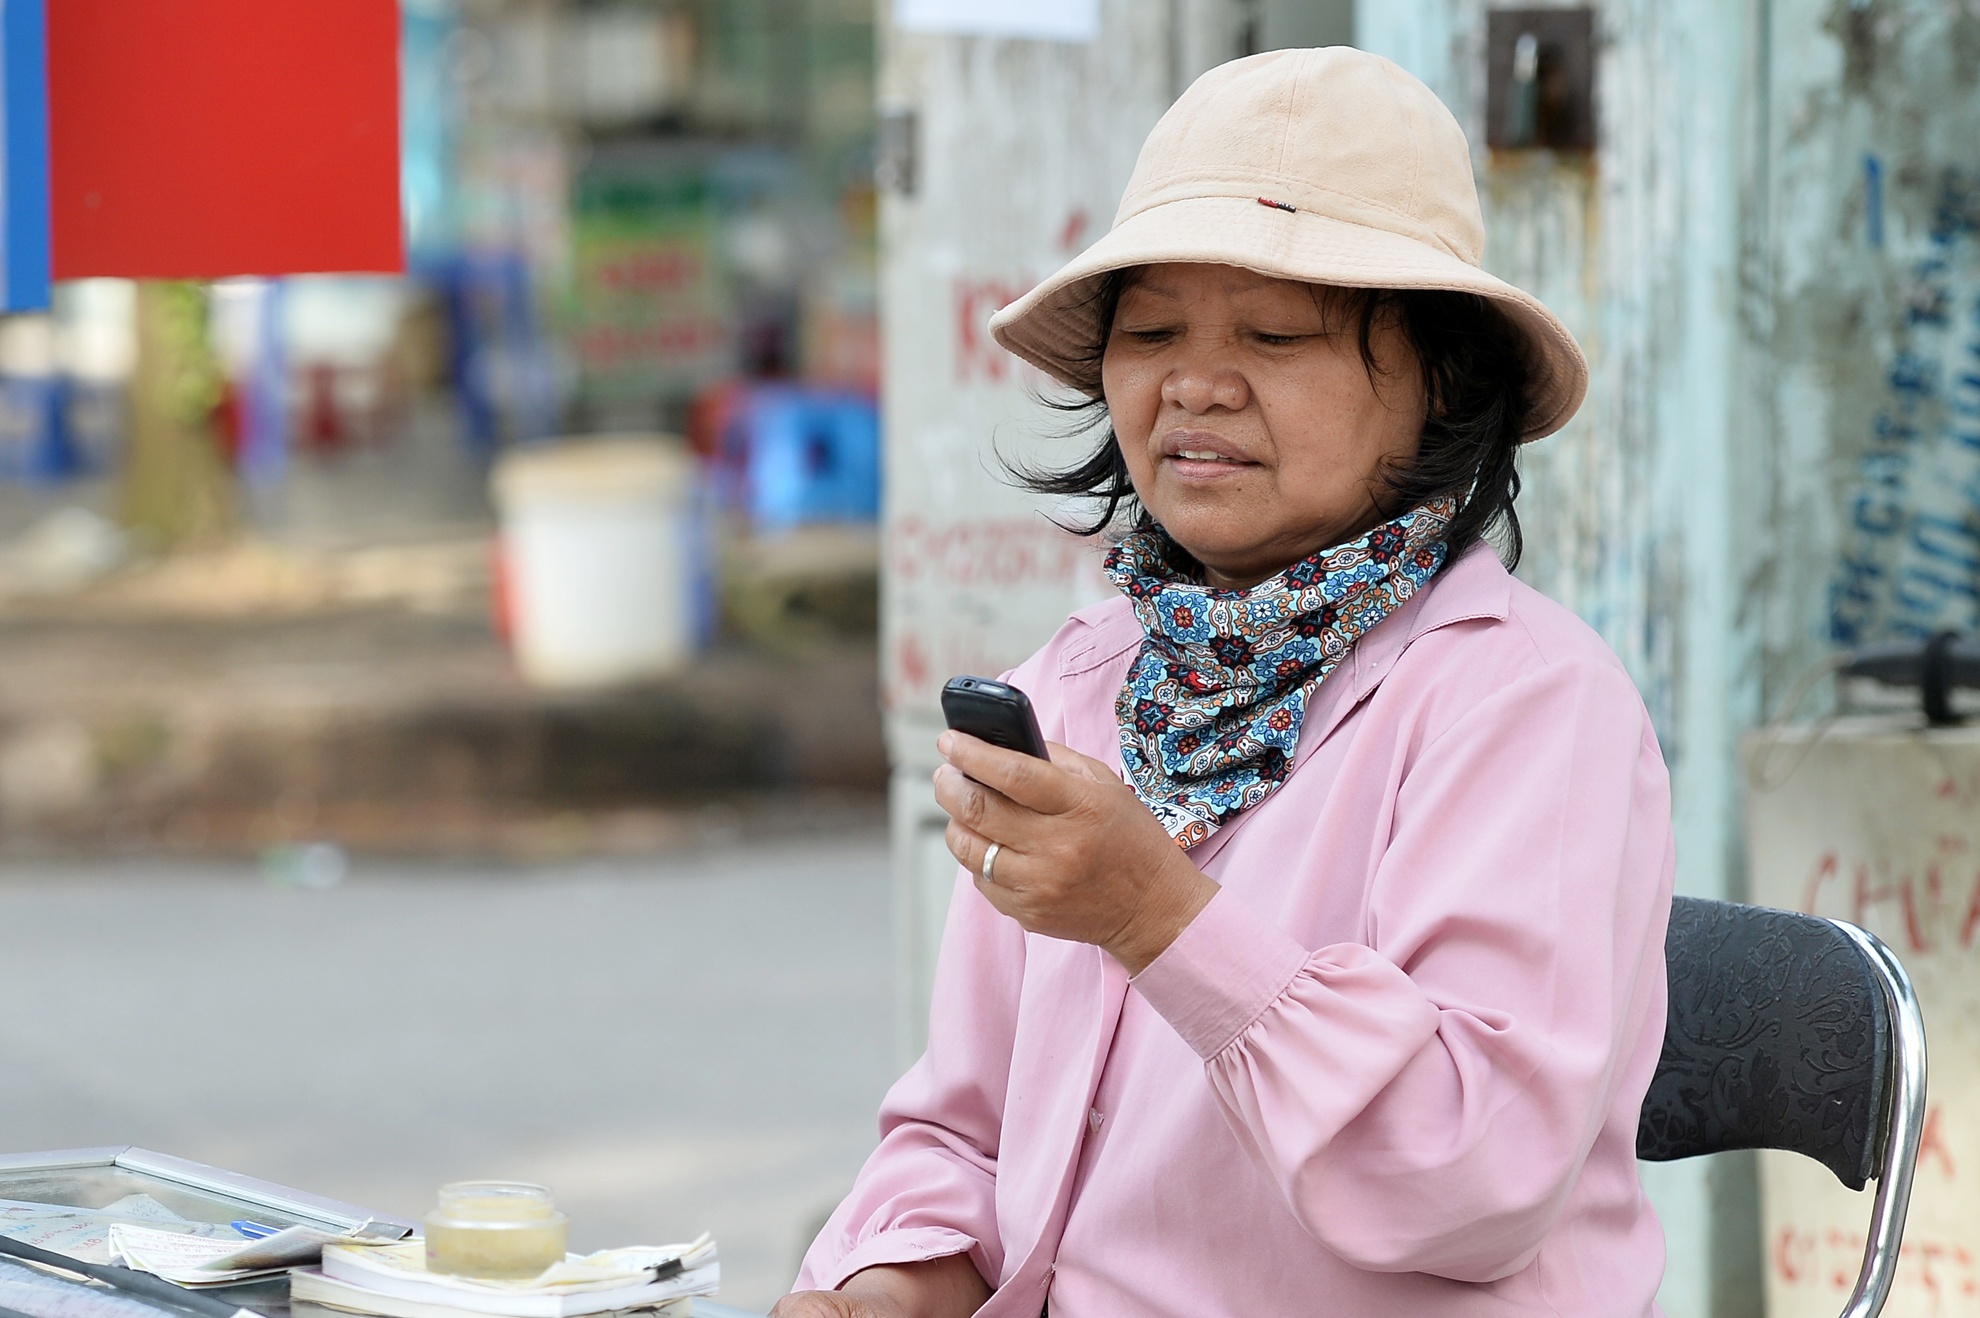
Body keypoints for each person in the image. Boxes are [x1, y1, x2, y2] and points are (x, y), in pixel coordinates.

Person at [774, 46, 1673, 1318]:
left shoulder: (1525, 703)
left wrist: (1158, 916)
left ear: (1442, 383)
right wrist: (874, 1285)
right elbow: (969, 1137)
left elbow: (1473, 1175)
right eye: (1151, 333)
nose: (1194, 384)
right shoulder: (1075, 691)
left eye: (1275, 334)